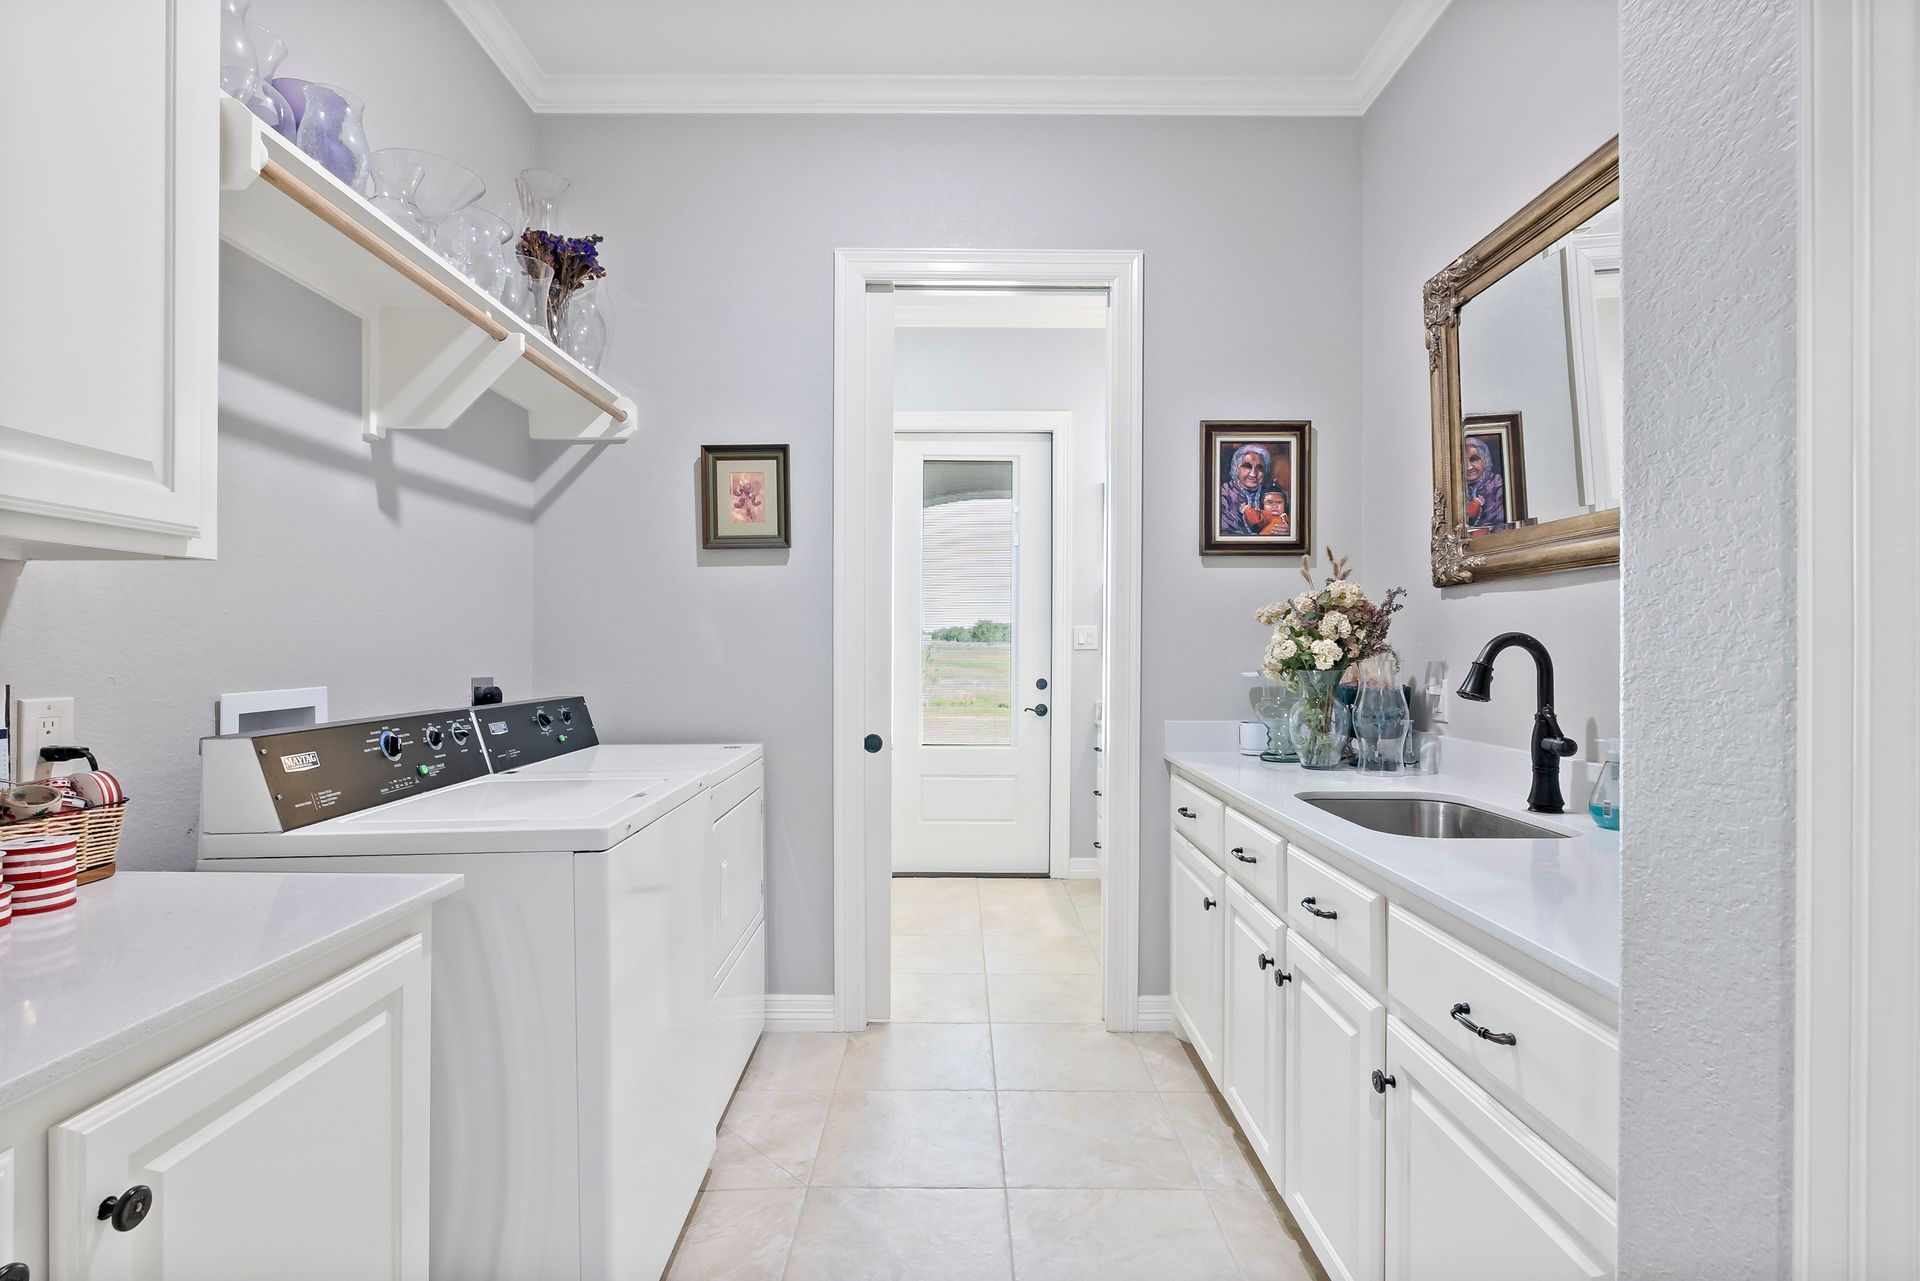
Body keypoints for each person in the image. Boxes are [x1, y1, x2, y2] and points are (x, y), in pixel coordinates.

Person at [1220, 444, 1287, 536]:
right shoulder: (1223, 493)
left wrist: (1288, 531)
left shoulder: (1272, 494)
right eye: (1247, 466)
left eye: (1260, 468)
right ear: (1236, 468)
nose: (1253, 474)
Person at [1463, 437, 1507, 533]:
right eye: (1462, 461)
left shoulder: (1498, 483)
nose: (1469, 467)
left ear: (1485, 459)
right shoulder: (1455, 488)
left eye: (1474, 459)